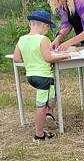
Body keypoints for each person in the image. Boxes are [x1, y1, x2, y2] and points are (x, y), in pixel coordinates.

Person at [12, 11, 71, 141]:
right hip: (43, 76)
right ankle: (39, 133)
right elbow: (48, 58)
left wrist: (30, 60)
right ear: (44, 25)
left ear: (30, 24)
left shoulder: (22, 39)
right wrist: (65, 55)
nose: (48, 29)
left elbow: (16, 58)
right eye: (48, 26)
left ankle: (49, 114)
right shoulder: (43, 39)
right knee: (41, 105)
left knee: (51, 93)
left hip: (31, 76)